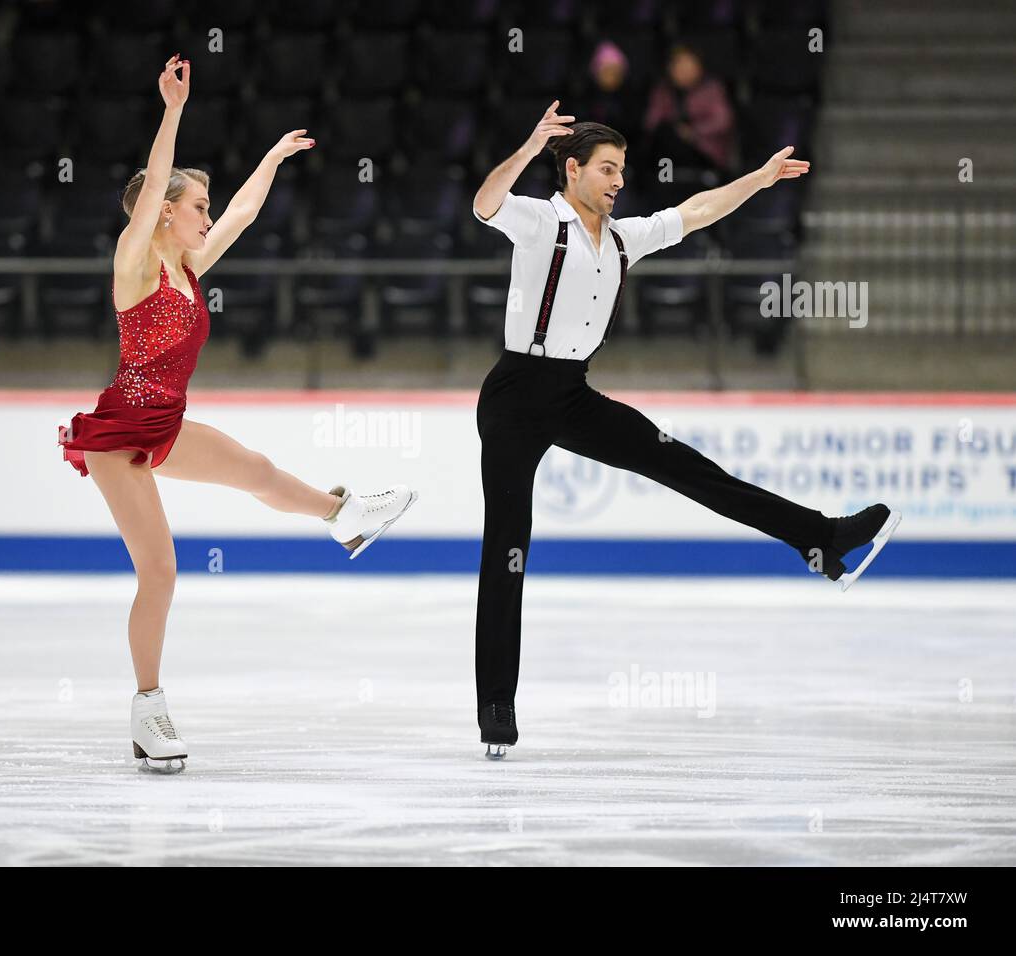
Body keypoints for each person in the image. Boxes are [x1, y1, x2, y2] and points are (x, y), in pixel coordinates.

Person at [469, 104, 900, 759]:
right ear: (573, 169)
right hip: (513, 395)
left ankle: (821, 539)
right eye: (607, 169)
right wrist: (529, 144)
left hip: (571, 394)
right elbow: (484, 202)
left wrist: (758, 179)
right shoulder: (539, 220)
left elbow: (696, 211)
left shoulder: (621, 238)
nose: (618, 181)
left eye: (623, 170)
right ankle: (497, 705)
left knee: (684, 464)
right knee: (507, 547)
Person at [58, 54, 417, 772]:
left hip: (162, 425)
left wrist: (276, 155)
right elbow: (156, 182)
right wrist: (172, 109)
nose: (208, 216)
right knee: (160, 572)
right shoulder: (136, 261)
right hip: (119, 436)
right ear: (164, 212)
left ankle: (343, 518)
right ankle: (148, 710)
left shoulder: (189, 270)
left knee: (254, 468)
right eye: (198, 207)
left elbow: (247, 212)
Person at [643, 44, 736, 185]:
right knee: (664, 134)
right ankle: (663, 181)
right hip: (669, 151)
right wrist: (675, 129)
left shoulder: (711, 89)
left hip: (704, 150)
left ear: (699, 68)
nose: (684, 71)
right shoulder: (663, 91)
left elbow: (723, 121)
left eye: (689, 66)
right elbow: (651, 123)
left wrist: (692, 132)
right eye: (679, 66)